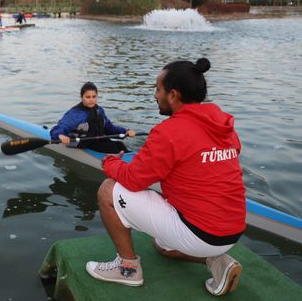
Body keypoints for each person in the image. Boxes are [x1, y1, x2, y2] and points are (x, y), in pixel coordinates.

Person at [85, 58, 246, 297]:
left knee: (109, 189)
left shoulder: (170, 131)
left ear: (173, 95)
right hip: (233, 231)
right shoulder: (221, 122)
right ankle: (216, 260)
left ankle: (127, 269)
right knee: (161, 245)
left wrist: (110, 161)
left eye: (158, 90)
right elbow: (220, 153)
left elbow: (133, 179)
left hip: (200, 232)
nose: (155, 96)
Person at [50, 82, 136, 154]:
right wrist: (60, 136)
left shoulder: (99, 110)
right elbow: (59, 128)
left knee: (119, 145)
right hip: (81, 143)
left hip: (96, 141)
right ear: (81, 97)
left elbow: (109, 128)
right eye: (88, 97)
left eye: (94, 96)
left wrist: (125, 132)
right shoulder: (75, 113)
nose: (91, 100)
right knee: (112, 148)